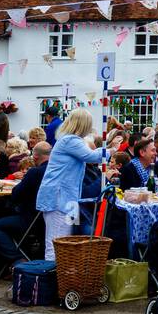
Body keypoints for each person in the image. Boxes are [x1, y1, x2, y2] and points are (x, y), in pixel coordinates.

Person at [36, 109, 119, 261]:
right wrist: (112, 149)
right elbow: (92, 156)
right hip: (58, 198)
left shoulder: (67, 140)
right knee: (56, 243)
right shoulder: (70, 141)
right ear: (83, 125)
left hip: (67, 197)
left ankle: (59, 278)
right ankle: (52, 279)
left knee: (64, 242)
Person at [0, 140, 51, 266]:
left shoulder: (35, 172)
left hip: (31, 220)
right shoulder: (57, 171)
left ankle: (17, 259)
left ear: (35, 156)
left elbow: (16, 195)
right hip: (48, 220)